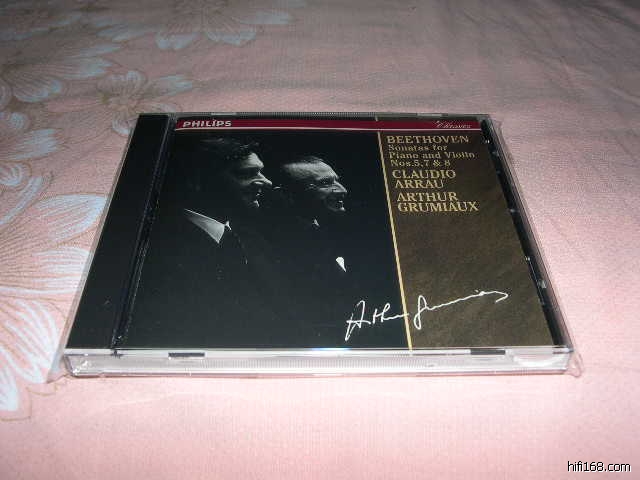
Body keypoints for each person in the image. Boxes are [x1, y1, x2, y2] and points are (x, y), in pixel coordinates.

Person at [122, 137, 303, 348]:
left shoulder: (254, 240)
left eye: (261, 172)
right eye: (246, 173)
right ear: (198, 181)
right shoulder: (157, 248)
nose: (267, 182)